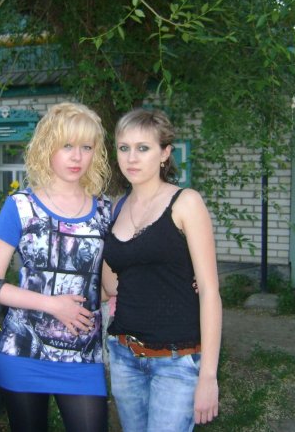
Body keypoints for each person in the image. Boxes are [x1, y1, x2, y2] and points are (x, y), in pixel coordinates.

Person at [0, 102, 112, 432]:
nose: (77, 157)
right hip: (22, 351)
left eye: (86, 147)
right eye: (67, 146)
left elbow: (108, 285)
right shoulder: (20, 206)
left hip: (84, 357)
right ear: (47, 147)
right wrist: (52, 305)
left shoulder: (105, 211)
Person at [102, 108, 222, 432]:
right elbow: (112, 286)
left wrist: (208, 376)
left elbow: (210, 291)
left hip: (176, 361)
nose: (131, 157)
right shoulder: (116, 207)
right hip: (124, 355)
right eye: (124, 148)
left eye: (143, 148)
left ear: (165, 153)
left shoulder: (186, 203)